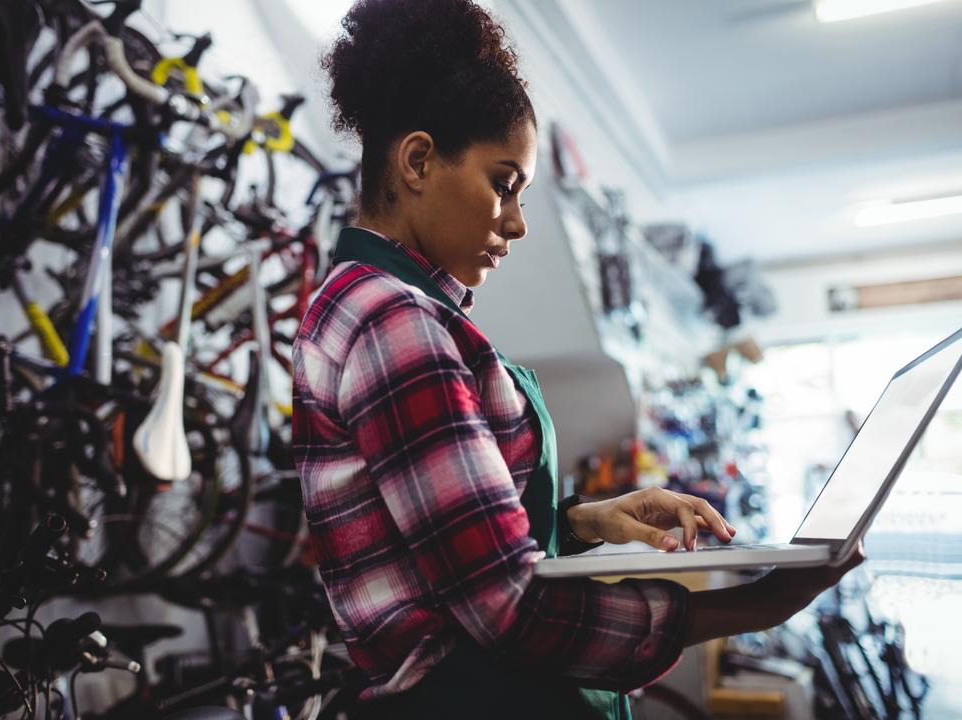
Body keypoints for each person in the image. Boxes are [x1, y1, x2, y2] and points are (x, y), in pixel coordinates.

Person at [291, 1, 862, 717]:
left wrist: (591, 519)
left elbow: (442, 546)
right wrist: (752, 607)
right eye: (504, 183)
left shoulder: (371, 305)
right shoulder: (396, 324)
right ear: (417, 161)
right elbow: (506, 608)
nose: (518, 221)